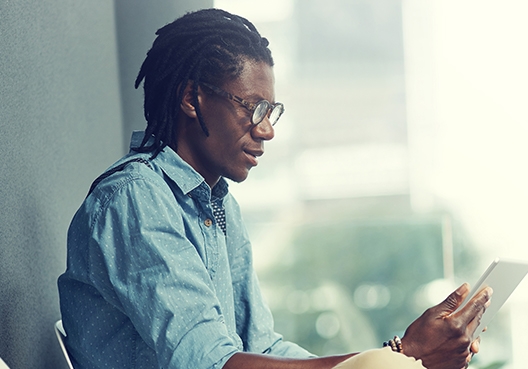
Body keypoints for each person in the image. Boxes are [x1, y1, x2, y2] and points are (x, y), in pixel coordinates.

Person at [58, 8, 492, 369]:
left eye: (273, 111)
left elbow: (262, 349)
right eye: (254, 108)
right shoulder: (134, 201)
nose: (266, 130)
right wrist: (400, 356)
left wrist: (401, 361)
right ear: (192, 99)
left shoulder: (216, 206)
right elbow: (212, 363)